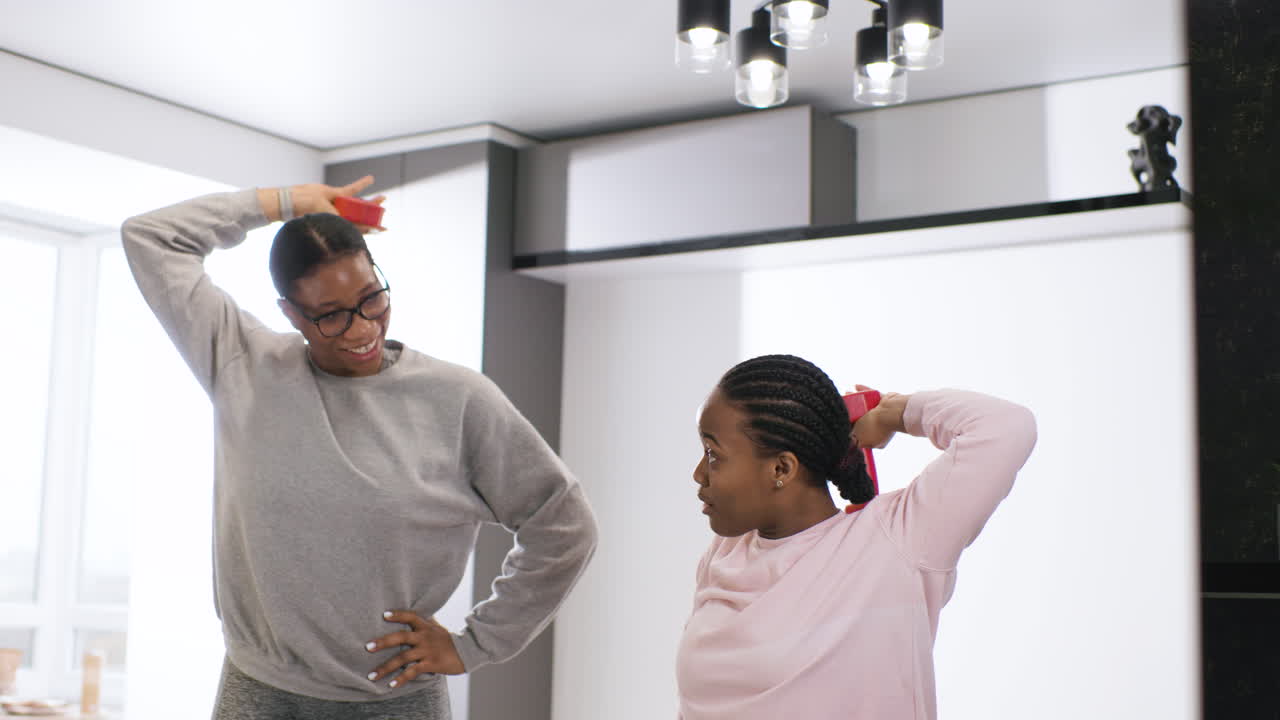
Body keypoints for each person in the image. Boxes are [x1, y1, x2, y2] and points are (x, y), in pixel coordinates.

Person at [121, 177, 598, 719]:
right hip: (257, 694)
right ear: (291, 313)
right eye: (331, 315)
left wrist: (477, 642)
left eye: (371, 298)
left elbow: (563, 522)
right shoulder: (243, 366)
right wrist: (283, 203)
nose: (361, 328)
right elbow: (150, 238)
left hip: (392, 702)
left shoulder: (458, 399)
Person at [676, 354, 1036, 720]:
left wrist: (892, 411)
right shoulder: (724, 555)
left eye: (712, 454)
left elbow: (1006, 427)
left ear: (781, 468)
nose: (698, 473)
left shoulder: (897, 543)